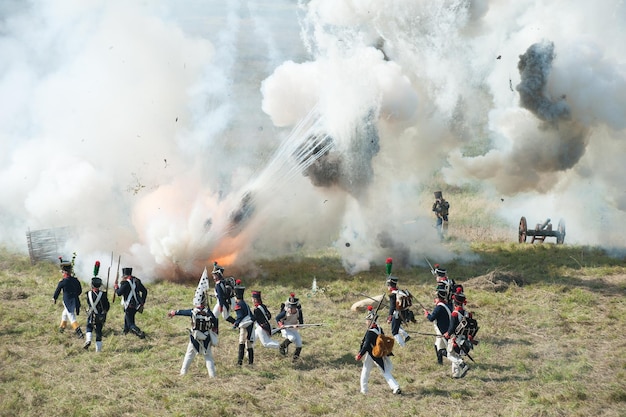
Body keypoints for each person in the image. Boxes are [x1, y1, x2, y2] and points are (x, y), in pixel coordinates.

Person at [355, 306, 401, 395]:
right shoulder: (379, 329)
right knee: (367, 371)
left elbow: (366, 345)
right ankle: (364, 390)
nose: (366, 322)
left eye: (367, 321)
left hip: (374, 354)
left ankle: (395, 387)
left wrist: (360, 355)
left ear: (370, 321)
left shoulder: (370, 332)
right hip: (375, 353)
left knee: (377, 372)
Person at [443, 288, 472, 378]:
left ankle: (462, 364)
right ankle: (456, 373)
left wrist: (447, 334)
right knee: (455, 354)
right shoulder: (467, 313)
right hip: (464, 338)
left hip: (455, 338)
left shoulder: (454, 313)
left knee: (449, 354)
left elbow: (451, 328)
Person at [52, 258, 84, 339]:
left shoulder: (63, 282)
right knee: (64, 314)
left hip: (67, 301)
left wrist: (54, 298)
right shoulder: (75, 280)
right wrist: (74, 295)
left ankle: (79, 332)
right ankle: (62, 328)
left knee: (71, 317)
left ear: (64, 272)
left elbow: (58, 290)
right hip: (75, 300)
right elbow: (80, 291)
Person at [423, 283, 452, 365]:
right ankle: (440, 362)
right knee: (437, 345)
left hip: (441, 330)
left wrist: (427, 314)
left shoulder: (439, 307)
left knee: (440, 349)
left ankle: (455, 360)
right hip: (446, 328)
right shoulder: (447, 305)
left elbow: (431, 318)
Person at [114, 267, 148, 338]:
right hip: (137, 304)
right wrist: (142, 301)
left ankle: (139, 332)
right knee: (128, 317)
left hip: (130, 305)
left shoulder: (125, 283)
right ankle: (125, 331)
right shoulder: (137, 281)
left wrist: (116, 287)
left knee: (130, 323)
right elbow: (144, 291)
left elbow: (119, 293)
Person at [83, 270, 110, 352]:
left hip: (91, 314)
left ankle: (88, 340)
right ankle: (98, 350)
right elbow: (107, 306)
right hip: (100, 315)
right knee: (98, 331)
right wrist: (105, 311)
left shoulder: (88, 294)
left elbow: (88, 303)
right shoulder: (103, 295)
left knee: (89, 327)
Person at [232, 284, 255, 366]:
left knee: (241, 342)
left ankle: (239, 362)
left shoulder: (238, 305)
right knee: (249, 344)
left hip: (244, 326)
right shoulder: (245, 304)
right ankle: (251, 363)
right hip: (250, 325)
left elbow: (240, 316)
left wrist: (235, 324)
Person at [275, 294, 303, 362]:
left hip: (293, 329)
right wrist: (281, 325)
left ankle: (295, 360)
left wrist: (298, 325)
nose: (290, 309)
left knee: (299, 344)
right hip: (285, 328)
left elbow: (301, 322)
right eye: (289, 307)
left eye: (292, 308)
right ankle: (282, 346)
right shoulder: (285, 311)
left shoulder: (299, 312)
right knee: (292, 338)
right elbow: (277, 318)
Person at [386, 276, 411, 347]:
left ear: (390, 286)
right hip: (404, 313)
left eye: (388, 285)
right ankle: (406, 336)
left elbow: (392, 307)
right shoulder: (400, 291)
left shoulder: (392, 294)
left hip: (397, 314)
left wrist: (389, 317)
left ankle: (402, 345)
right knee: (396, 325)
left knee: (394, 332)